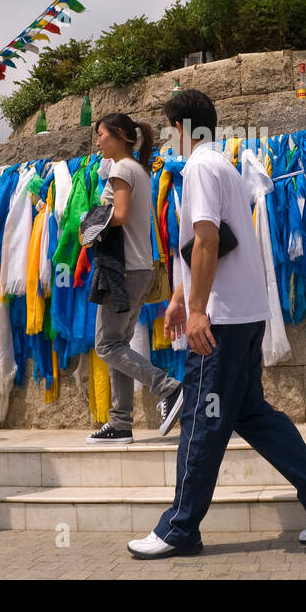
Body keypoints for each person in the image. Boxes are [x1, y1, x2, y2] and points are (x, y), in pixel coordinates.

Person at [127, 90, 306, 559]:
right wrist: (178, 297)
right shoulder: (220, 166)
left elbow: (207, 240)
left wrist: (197, 311)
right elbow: (204, 244)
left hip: (222, 319)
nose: (168, 137)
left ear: (181, 127)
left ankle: (179, 528)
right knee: (250, 413)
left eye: (169, 128)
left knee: (200, 420)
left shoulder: (200, 169)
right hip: (242, 312)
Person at [86, 112, 184, 444]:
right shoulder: (139, 170)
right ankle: (120, 422)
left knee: (107, 344)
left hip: (123, 268)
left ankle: (168, 388)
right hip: (139, 267)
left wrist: (90, 222)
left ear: (118, 135)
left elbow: (122, 215)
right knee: (119, 343)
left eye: (101, 134)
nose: (97, 140)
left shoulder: (122, 169)